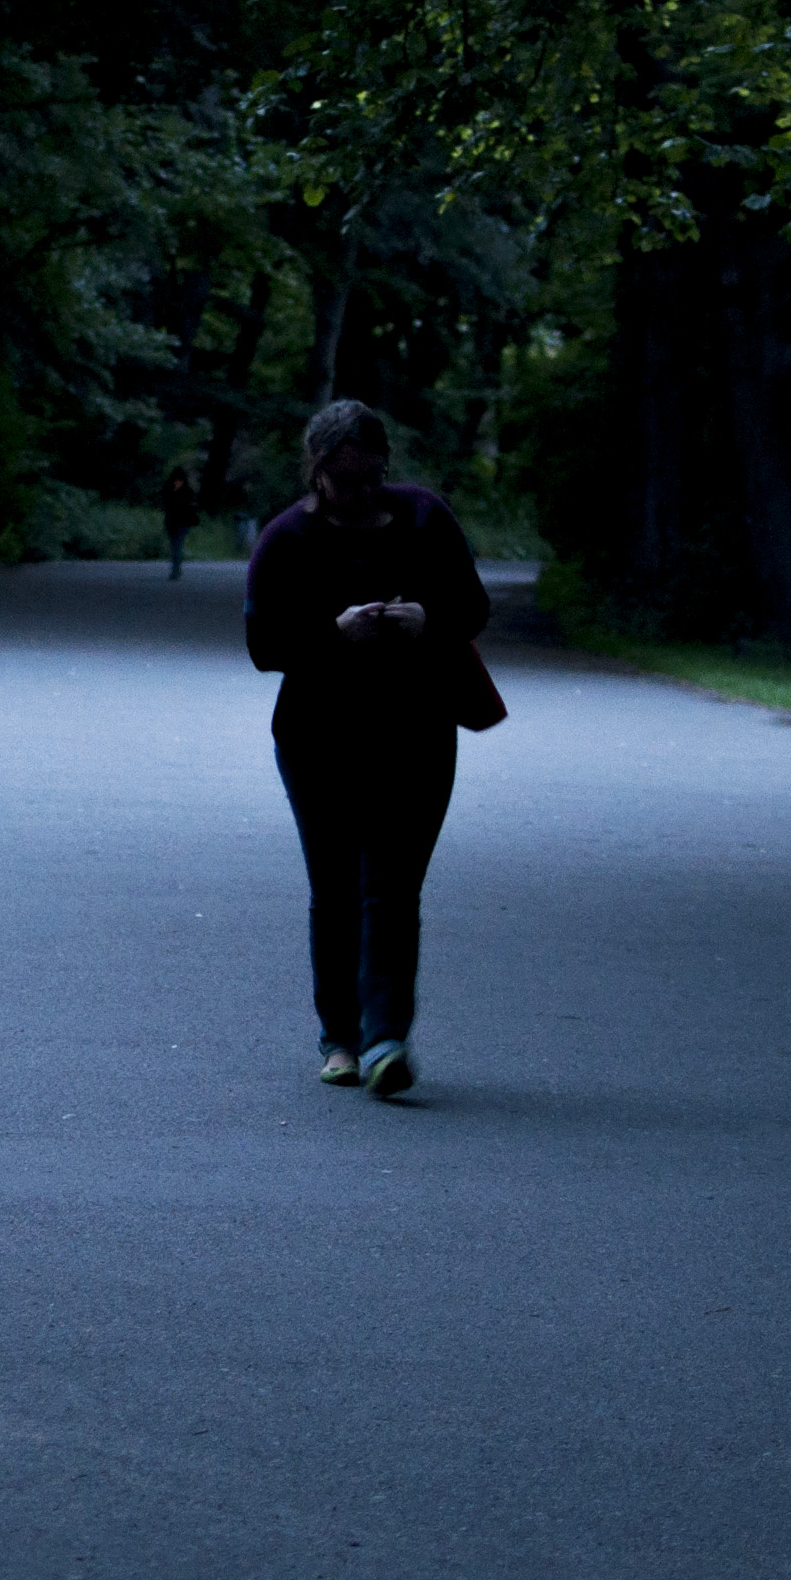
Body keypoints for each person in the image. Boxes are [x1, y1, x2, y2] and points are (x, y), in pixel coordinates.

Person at [244, 401, 491, 1098]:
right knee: (336, 890)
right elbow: (264, 646)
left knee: (392, 888)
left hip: (415, 731)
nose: (360, 492)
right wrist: (336, 633)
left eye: (372, 477)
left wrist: (426, 618)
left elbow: (472, 609)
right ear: (317, 470)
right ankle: (340, 1038)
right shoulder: (286, 540)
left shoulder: (425, 519)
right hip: (316, 737)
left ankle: (386, 1039)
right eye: (345, 480)